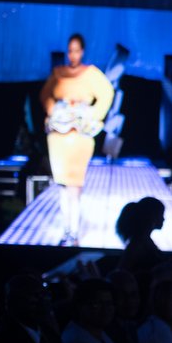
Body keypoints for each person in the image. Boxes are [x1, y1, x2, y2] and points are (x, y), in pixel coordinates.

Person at [40, 33, 115, 247]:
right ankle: (68, 232)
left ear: (82, 51)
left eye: (76, 50)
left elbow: (106, 93)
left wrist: (92, 115)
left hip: (80, 132)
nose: (73, 54)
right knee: (63, 184)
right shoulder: (59, 73)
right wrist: (54, 109)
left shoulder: (90, 73)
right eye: (70, 50)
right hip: (59, 133)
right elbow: (45, 95)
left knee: (75, 184)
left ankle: (74, 231)